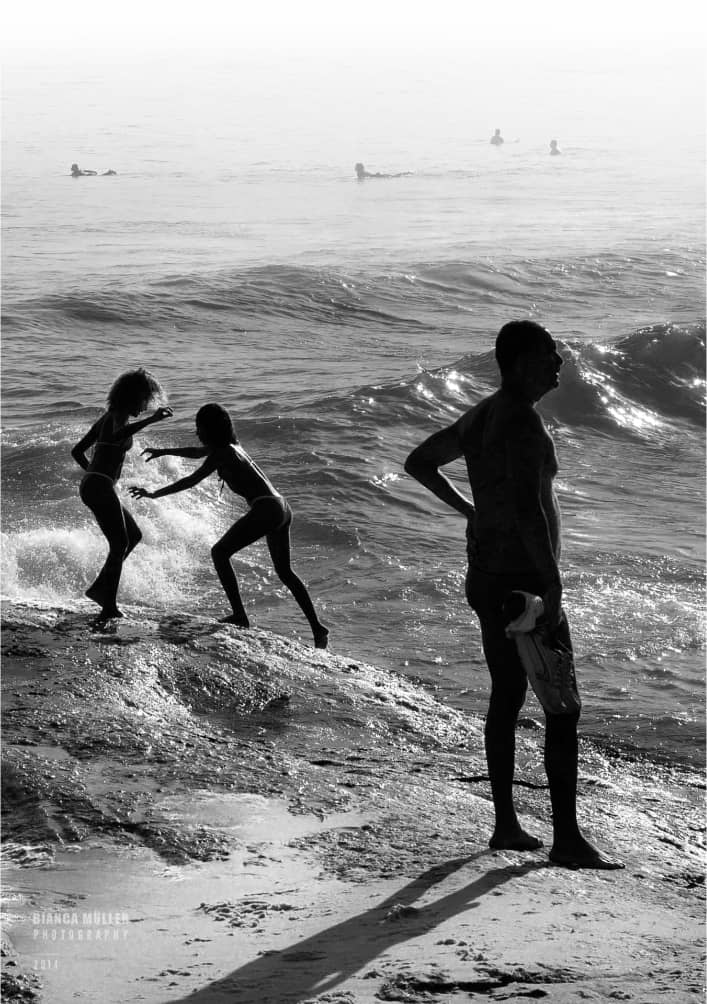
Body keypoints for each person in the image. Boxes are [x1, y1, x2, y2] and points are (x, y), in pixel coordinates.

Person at [404, 320, 622, 870]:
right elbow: (528, 508)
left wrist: (470, 512)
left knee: (506, 695)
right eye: (551, 354)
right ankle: (567, 839)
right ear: (523, 360)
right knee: (563, 707)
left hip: (487, 576)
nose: (560, 363)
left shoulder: (482, 415)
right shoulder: (523, 423)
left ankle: (506, 824)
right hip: (525, 583)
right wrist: (552, 582)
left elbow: (420, 461)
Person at [130, 403, 329, 649]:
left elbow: (192, 479)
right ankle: (318, 629)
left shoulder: (222, 453)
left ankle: (239, 616)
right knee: (285, 572)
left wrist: (153, 494)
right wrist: (163, 451)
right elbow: (197, 452)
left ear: (209, 429)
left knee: (219, 553)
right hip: (282, 507)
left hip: (266, 507)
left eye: (199, 427)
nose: (197, 432)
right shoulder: (232, 447)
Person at [71, 369, 172, 619]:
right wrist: (151, 421)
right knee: (120, 543)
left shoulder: (108, 417)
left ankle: (100, 589)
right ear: (133, 397)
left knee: (134, 535)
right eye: (144, 400)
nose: (146, 406)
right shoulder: (116, 416)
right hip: (99, 485)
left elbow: (77, 451)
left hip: (96, 484)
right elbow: (117, 436)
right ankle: (108, 605)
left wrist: (92, 474)